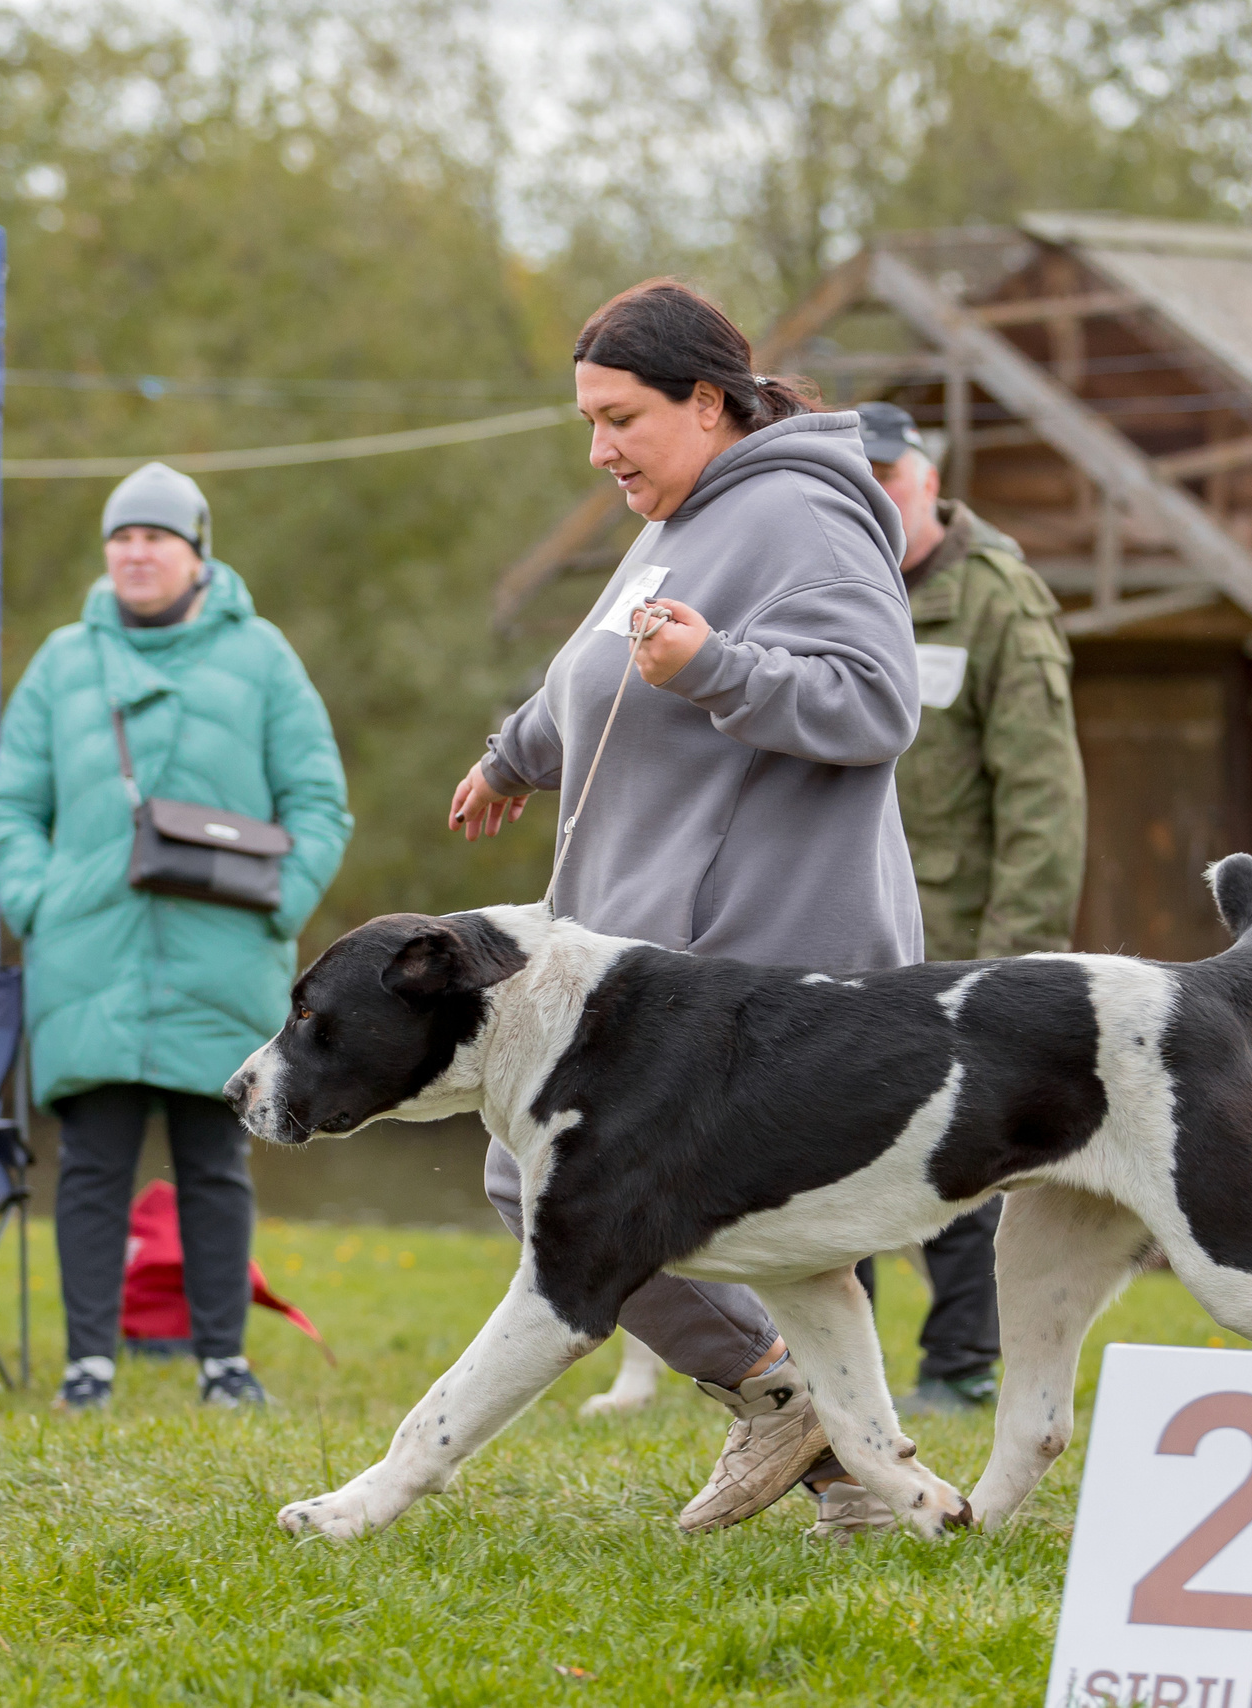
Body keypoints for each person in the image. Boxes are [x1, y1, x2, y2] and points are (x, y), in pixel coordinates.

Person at [450, 279, 922, 1538]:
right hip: (656, 947)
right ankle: (841, 1466)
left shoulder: (802, 513)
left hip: (761, 950)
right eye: (588, 423)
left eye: (620, 420)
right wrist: (513, 756)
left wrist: (716, 667)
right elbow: (603, 666)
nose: (598, 451)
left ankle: (784, 1402)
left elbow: (878, 702)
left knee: (547, 1176)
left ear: (706, 402)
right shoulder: (681, 514)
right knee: (743, 1234)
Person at [0, 463, 353, 1414]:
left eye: (156, 537)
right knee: (92, 1168)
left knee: (214, 1166)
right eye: (122, 538)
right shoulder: (63, 661)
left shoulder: (261, 656)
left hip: (224, 954)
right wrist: (41, 901)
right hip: (89, 956)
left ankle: (223, 1363)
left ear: (197, 553)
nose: (136, 553)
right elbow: (11, 806)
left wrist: (278, 908)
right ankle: (88, 1367)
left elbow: (319, 802)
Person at [852, 400, 1087, 1417]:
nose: (873, 499)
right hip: (851, 929)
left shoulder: (997, 601)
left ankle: (960, 1363)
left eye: (888, 481)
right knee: (837, 1150)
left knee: (959, 1151)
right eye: (856, 483)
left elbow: (1043, 799)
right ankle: (830, 1378)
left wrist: (1015, 963)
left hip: (958, 941)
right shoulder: (835, 585)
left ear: (928, 483)